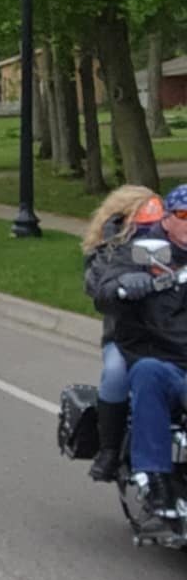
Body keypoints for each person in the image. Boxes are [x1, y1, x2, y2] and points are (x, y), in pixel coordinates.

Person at [86, 182, 187, 519]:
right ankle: (151, 476)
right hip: (162, 355)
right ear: (168, 219)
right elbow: (103, 289)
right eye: (184, 215)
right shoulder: (137, 253)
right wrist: (125, 285)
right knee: (139, 372)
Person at [79, 185, 166, 480]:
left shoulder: (174, 246)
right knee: (116, 373)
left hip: (172, 335)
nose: (151, 231)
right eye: (142, 224)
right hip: (125, 337)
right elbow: (96, 287)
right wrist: (112, 253)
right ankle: (109, 451)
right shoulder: (107, 252)